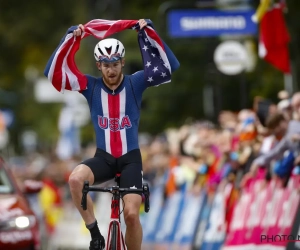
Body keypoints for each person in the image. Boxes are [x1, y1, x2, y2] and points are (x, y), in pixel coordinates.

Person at [44, 19, 180, 250]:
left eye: (115, 64)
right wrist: (70, 38)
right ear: (98, 65)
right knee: (76, 179)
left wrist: (147, 33)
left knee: (131, 215)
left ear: (122, 62)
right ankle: (96, 234)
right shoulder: (90, 86)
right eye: (106, 65)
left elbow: (170, 66)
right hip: (103, 158)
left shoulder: (136, 82)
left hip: (130, 159)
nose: (111, 69)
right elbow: (53, 73)